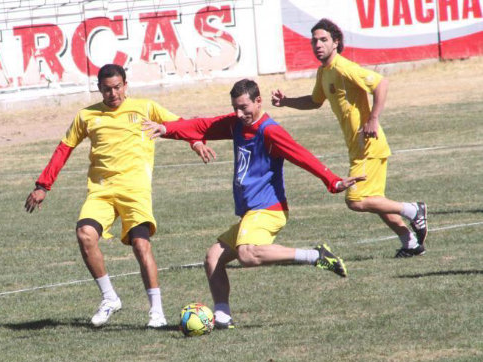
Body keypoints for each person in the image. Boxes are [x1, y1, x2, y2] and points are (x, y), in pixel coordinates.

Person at [143, 79, 365, 328]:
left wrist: (333, 181)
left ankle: (316, 255)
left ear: (258, 101)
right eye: (235, 108)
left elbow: (301, 155)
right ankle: (223, 318)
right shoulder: (237, 124)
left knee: (247, 254)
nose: (239, 114)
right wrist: (166, 128)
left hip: (268, 210)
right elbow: (202, 125)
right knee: (213, 258)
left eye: (244, 107)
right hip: (252, 213)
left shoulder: (269, 130)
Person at [24, 63, 215, 328]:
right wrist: (43, 185)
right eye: (106, 89)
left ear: (125, 85)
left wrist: (195, 141)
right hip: (101, 191)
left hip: (134, 192)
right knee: (85, 235)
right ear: (99, 89)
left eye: (117, 88)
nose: (113, 94)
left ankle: (156, 312)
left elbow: (179, 124)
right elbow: (64, 148)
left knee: (140, 245)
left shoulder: (145, 107)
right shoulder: (86, 116)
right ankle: (110, 298)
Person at [271, 18, 428, 258]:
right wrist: (286, 102)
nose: (318, 45)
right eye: (314, 41)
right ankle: (410, 243)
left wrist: (373, 118)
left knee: (355, 200)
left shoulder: (344, 68)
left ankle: (413, 210)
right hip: (358, 147)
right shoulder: (324, 71)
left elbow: (381, 84)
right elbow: (314, 101)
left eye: (323, 40)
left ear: (336, 42)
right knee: (375, 200)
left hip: (367, 145)